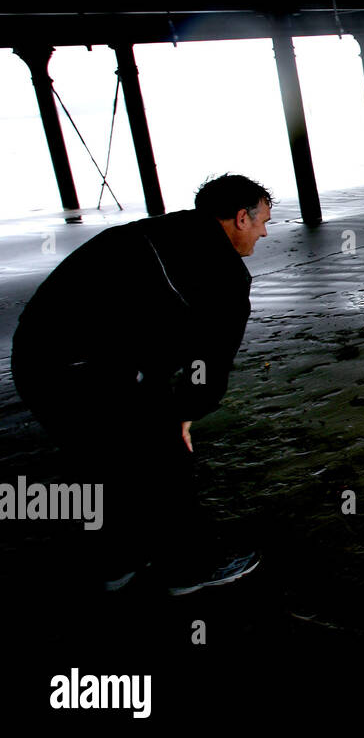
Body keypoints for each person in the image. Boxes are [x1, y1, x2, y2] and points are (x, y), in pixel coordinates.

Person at [10, 173, 271, 594]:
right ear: (241, 217)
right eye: (262, 222)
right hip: (89, 371)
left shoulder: (142, 233)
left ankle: (115, 563)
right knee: (166, 463)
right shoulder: (224, 276)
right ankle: (188, 568)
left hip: (34, 360)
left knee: (101, 460)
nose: (262, 233)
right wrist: (186, 413)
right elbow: (207, 362)